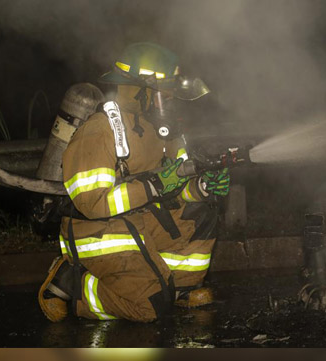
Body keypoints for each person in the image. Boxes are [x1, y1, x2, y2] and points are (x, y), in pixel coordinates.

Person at [39, 42, 229, 323]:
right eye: (164, 94)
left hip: (139, 220)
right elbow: (93, 203)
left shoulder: (164, 131)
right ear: (139, 91)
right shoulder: (100, 130)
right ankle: (75, 284)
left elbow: (174, 189)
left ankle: (178, 289)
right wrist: (152, 186)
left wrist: (200, 188)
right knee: (151, 308)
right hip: (98, 231)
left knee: (200, 214)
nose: (170, 101)